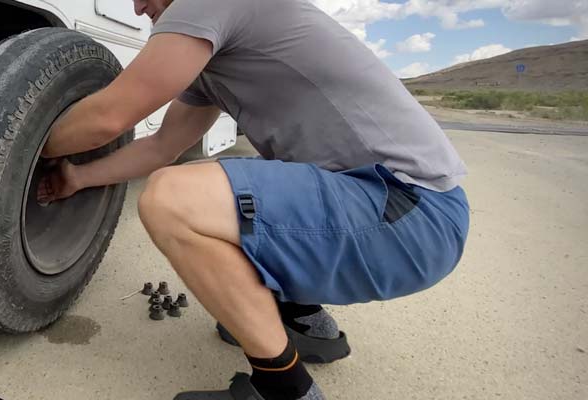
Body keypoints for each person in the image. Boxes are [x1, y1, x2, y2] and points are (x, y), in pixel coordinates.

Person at [37, 0, 470, 399]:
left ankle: (284, 388)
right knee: (236, 235)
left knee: (172, 199)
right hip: (405, 212)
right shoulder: (213, 61)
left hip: (407, 212)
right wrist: (76, 177)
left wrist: (13, 150)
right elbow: (161, 146)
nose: (136, 6)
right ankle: (305, 324)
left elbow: (111, 115)